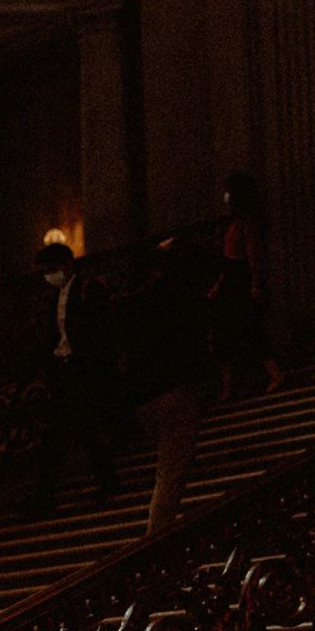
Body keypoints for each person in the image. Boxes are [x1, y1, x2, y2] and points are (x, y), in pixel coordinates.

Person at [20, 237, 122, 511]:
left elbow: (98, 329)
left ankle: (48, 494)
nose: (47, 276)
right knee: (68, 432)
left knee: (71, 431)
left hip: (79, 369)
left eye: (50, 269)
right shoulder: (55, 296)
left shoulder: (87, 289)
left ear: (65, 264)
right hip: (64, 370)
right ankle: (49, 493)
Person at [124, 231, 213, 538]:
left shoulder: (140, 301)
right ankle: (156, 542)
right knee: (171, 475)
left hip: (146, 395)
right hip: (174, 389)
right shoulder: (183, 298)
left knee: (169, 471)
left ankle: (159, 536)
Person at [210, 172, 282, 398]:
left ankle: (274, 374)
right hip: (231, 280)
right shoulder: (235, 221)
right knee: (224, 334)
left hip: (241, 281)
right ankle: (228, 387)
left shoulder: (247, 222)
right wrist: (219, 284)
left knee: (249, 329)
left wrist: (256, 283)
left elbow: (252, 254)